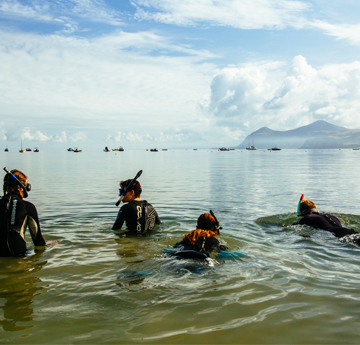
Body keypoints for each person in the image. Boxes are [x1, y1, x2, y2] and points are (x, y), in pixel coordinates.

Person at [0, 169, 46, 256]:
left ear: (6, 187)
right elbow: (38, 241)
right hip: (18, 254)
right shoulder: (28, 207)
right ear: (22, 187)